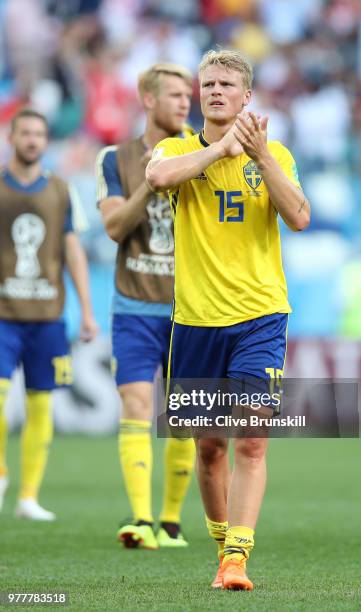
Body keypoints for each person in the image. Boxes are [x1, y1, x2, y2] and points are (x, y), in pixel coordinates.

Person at [146, 49, 310, 589]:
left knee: (252, 440)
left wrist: (259, 156)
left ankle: (237, 558)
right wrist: (222, 148)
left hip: (261, 317)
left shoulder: (276, 155)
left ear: (247, 97)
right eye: (207, 84)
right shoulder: (176, 148)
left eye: (225, 85)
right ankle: (223, 550)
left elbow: (300, 217)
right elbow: (158, 177)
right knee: (210, 447)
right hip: (195, 323)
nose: (214, 91)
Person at [96, 63, 196, 550]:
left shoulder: (200, 153)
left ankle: (172, 522)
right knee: (136, 404)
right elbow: (114, 228)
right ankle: (140, 519)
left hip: (191, 309)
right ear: (148, 99)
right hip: (134, 305)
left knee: (183, 416)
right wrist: (151, 181)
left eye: (188, 95)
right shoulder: (115, 158)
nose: (185, 103)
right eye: (175, 94)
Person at [0, 108, 98, 521]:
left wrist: (87, 312)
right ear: (12, 137)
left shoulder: (60, 188)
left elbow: (73, 250)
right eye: (26, 132)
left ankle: (28, 497)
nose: (33, 139)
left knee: (41, 404)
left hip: (49, 315)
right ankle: (2, 474)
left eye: (40, 133)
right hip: (3, 313)